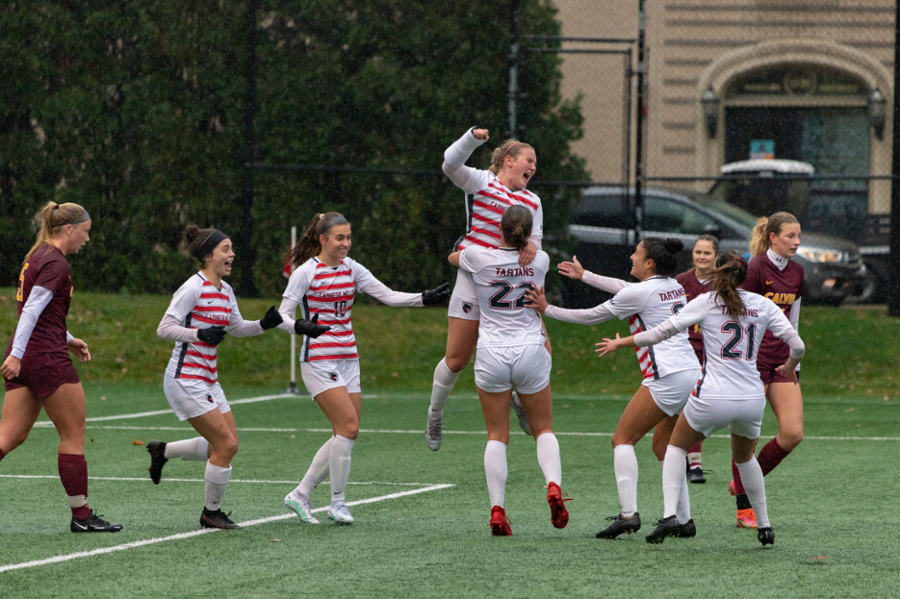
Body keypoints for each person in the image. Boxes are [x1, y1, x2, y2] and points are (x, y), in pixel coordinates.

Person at [596, 250, 805, 547]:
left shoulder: (706, 302)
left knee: (675, 447)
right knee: (746, 459)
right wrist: (788, 366)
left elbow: (661, 332)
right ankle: (766, 526)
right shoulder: (763, 304)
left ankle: (670, 515)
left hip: (713, 396)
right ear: (745, 276)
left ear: (718, 273)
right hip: (751, 398)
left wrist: (622, 342)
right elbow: (798, 344)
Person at [279, 212, 449, 525]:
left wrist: (423, 299)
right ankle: (337, 504)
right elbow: (282, 315)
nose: (345, 243)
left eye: (348, 237)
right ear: (323, 240)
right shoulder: (306, 272)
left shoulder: (352, 268)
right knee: (349, 429)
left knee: (344, 433)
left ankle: (301, 494)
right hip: (319, 360)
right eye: (339, 238)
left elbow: (388, 296)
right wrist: (300, 326)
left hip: (349, 360)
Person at [526, 238, 701, 540]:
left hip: (667, 375)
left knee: (622, 439)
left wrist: (547, 308)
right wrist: (586, 276)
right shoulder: (670, 284)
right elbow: (625, 287)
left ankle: (629, 515)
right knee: (665, 448)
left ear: (650, 263)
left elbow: (592, 315)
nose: (631, 255)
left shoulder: (641, 291)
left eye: (637, 252)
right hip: (690, 372)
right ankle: (683, 521)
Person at [147, 224, 284, 530]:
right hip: (185, 379)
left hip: (208, 379)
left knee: (225, 444)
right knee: (226, 445)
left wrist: (263, 324)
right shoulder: (193, 287)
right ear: (208, 256)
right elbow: (164, 328)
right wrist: (199, 334)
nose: (232, 254)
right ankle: (211, 513)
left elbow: (236, 327)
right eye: (226, 249)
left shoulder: (226, 290)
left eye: (232, 249)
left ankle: (163, 451)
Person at [0, 202, 122, 533]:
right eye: (86, 232)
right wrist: (21, 353)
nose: (87, 238)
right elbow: (32, 310)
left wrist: (66, 338)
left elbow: (39, 311)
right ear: (69, 229)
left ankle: (81, 516)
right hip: (44, 357)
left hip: (29, 353)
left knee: (7, 436)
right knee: (73, 434)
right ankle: (81, 517)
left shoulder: (36, 255)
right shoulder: (56, 262)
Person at [425, 126, 547, 451]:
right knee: (456, 359)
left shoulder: (532, 201)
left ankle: (520, 401)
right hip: (473, 277)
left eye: (536, 163)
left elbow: (534, 245)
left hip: (509, 281)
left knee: (539, 347)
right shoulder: (482, 182)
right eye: (529, 159)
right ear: (509, 159)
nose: (534, 167)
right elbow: (449, 165)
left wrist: (532, 248)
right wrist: (470, 138)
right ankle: (434, 414)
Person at [450, 206, 569, 536]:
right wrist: (530, 246)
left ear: (500, 230)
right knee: (543, 428)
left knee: (497, 435)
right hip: (530, 348)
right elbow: (533, 252)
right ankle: (554, 487)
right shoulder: (540, 261)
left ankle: (498, 511)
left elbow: (453, 257)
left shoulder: (477, 257)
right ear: (529, 235)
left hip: (492, 353)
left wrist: (483, 246)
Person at [728, 212, 805, 529]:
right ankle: (744, 506)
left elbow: (793, 320)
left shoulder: (798, 272)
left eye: (799, 236)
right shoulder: (756, 268)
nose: (797, 242)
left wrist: (796, 364)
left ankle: (745, 480)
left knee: (792, 433)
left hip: (783, 361)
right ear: (772, 237)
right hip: (752, 362)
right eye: (790, 236)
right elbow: (738, 316)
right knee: (747, 435)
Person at [674, 235, 718, 484]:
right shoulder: (680, 282)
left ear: (716, 256)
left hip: (713, 354)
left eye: (707, 253)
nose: (701, 257)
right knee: (683, 404)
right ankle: (691, 461)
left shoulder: (723, 284)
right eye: (698, 252)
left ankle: (689, 458)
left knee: (701, 405)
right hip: (684, 351)